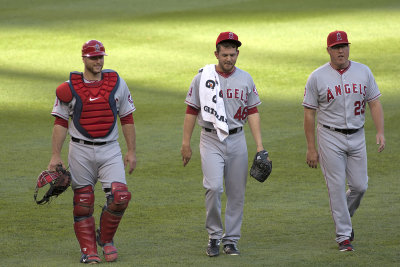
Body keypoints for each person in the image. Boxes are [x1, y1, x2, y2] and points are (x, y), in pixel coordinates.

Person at [47, 40, 137, 264]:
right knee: (83, 201)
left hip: (110, 149)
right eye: (93, 57)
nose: (98, 61)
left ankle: (105, 240)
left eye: (101, 57)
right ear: (83, 59)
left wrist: (131, 151)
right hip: (80, 150)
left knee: (120, 196)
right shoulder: (69, 88)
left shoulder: (117, 83)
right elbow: (60, 122)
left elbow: (127, 117)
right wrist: (55, 156)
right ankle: (88, 251)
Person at [181, 32, 269, 257]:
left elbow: (253, 112)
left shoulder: (246, 78)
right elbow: (191, 110)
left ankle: (231, 240)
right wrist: (185, 143)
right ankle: (214, 236)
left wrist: (260, 147)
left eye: (233, 54)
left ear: (237, 53)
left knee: (236, 193)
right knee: (213, 187)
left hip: (237, 138)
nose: (229, 59)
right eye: (225, 55)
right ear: (216, 54)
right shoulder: (203, 77)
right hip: (210, 138)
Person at [303, 31, 385, 251]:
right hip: (330, 136)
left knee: (360, 186)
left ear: (349, 47)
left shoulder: (363, 71)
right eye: (336, 47)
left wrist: (380, 131)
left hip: (357, 135)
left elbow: (374, 102)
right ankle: (343, 237)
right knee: (336, 188)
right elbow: (309, 113)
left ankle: (344, 221)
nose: (341, 51)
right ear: (328, 50)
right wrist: (311, 148)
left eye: (344, 46)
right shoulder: (317, 77)